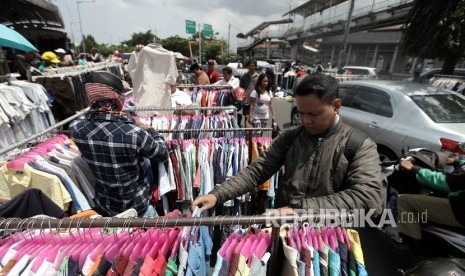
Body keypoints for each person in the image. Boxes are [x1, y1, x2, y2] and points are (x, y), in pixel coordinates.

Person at [192, 73, 383, 213]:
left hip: (332, 239)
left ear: (336, 106)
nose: (305, 120)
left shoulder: (359, 145)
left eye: (314, 114)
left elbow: (368, 198)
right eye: (300, 113)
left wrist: (299, 209)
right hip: (287, 233)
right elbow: (257, 170)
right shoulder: (290, 137)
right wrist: (218, 194)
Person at [69, 71, 169, 217]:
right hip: (139, 209)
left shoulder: (76, 128)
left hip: (107, 208)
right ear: (116, 98)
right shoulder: (133, 132)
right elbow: (161, 153)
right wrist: (151, 131)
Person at [396, 155, 465, 241]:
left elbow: (445, 181)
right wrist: (457, 161)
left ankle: (409, 245)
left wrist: (414, 169)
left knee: (404, 201)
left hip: (460, 211)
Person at [239, 59, 259, 126]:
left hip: (256, 102)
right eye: (250, 66)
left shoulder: (258, 77)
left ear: (255, 66)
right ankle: (247, 136)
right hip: (246, 101)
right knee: (247, 120)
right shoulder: (243, 77)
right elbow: (241, 90)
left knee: (256, 120)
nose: (251, 67)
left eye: (253, 66)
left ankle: (256, 136)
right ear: (248, 66)